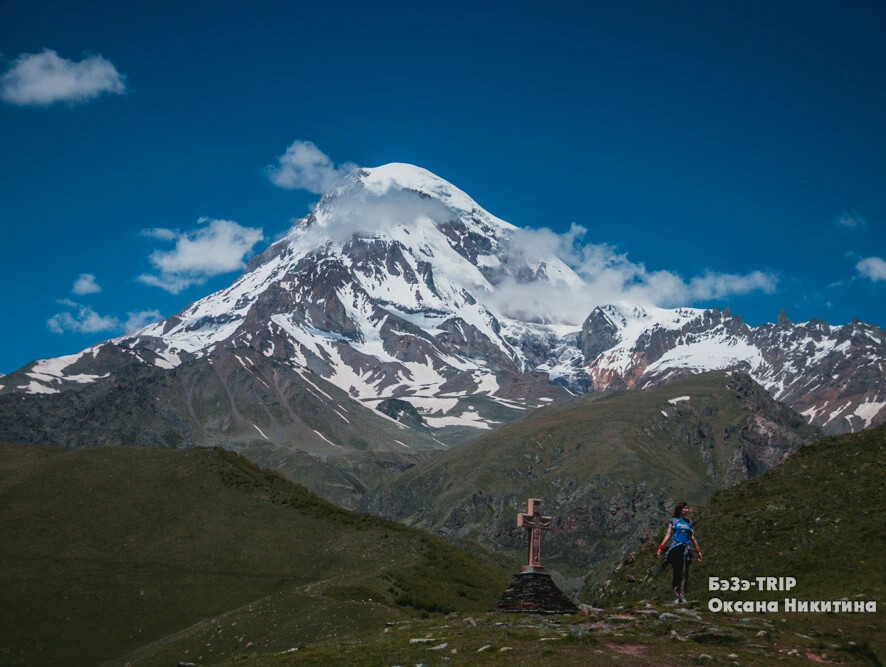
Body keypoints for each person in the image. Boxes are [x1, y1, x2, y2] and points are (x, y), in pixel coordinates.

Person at [657, 501, 702, 603]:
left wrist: (698, 550)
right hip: (675, 549)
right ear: (680, 510)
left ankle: (683, 596)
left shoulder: (689, 522)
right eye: (685, 508)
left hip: (686, 549)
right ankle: (677, 597)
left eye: (687, 508)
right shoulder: (673, 521)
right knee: (676, 572)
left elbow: (692, 537)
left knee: (684, 573)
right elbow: (668, 534)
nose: (686, 510)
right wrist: (661, 546)